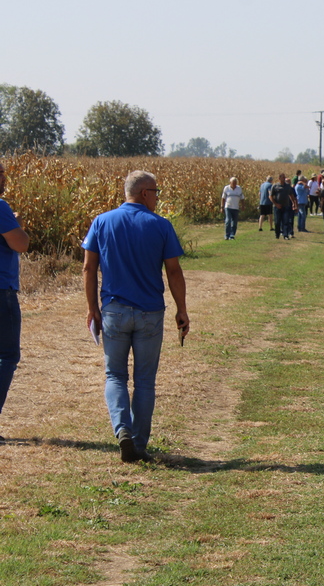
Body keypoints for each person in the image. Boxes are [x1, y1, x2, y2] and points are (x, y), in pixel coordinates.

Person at [82, 171, 189, 463]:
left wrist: (92, 307)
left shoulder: (102, 221)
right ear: (144, 193)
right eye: (156, 192)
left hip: (114, 310)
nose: (157, 197)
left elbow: (89, 268)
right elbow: (174, 271)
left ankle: (122, 431)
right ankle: (139, 445)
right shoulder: (161, 226)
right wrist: (181, 308)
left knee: (115, 375)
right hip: (150, 312)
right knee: (144, 381)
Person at [0, 162, 29, 441]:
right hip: (2, 290)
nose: (5, 179)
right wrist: (18, 225)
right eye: (1, 174)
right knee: (7, 355)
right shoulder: (0, 207)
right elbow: (20, 243)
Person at [270, 173, 298, 240]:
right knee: (277, 222)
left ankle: (286, 235)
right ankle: (277, 234)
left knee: (286, 221)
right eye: (283, 177)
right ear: (279, 178)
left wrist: (294, 203)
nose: (284, 178)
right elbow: (270, 196)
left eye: (284, 177)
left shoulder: (288, 186)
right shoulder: (275, 186)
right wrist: (276, 204)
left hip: (286, 206)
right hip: (277, 207)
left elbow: (291, 195)